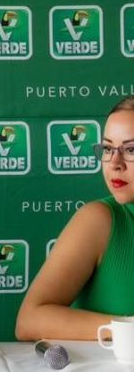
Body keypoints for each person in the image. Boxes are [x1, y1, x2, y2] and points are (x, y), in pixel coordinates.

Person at [15, 97, 134, 340]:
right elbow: (29, 321)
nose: (114, 163)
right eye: (108, 148)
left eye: (131, 150)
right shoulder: (98, 220)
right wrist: (126, 329)